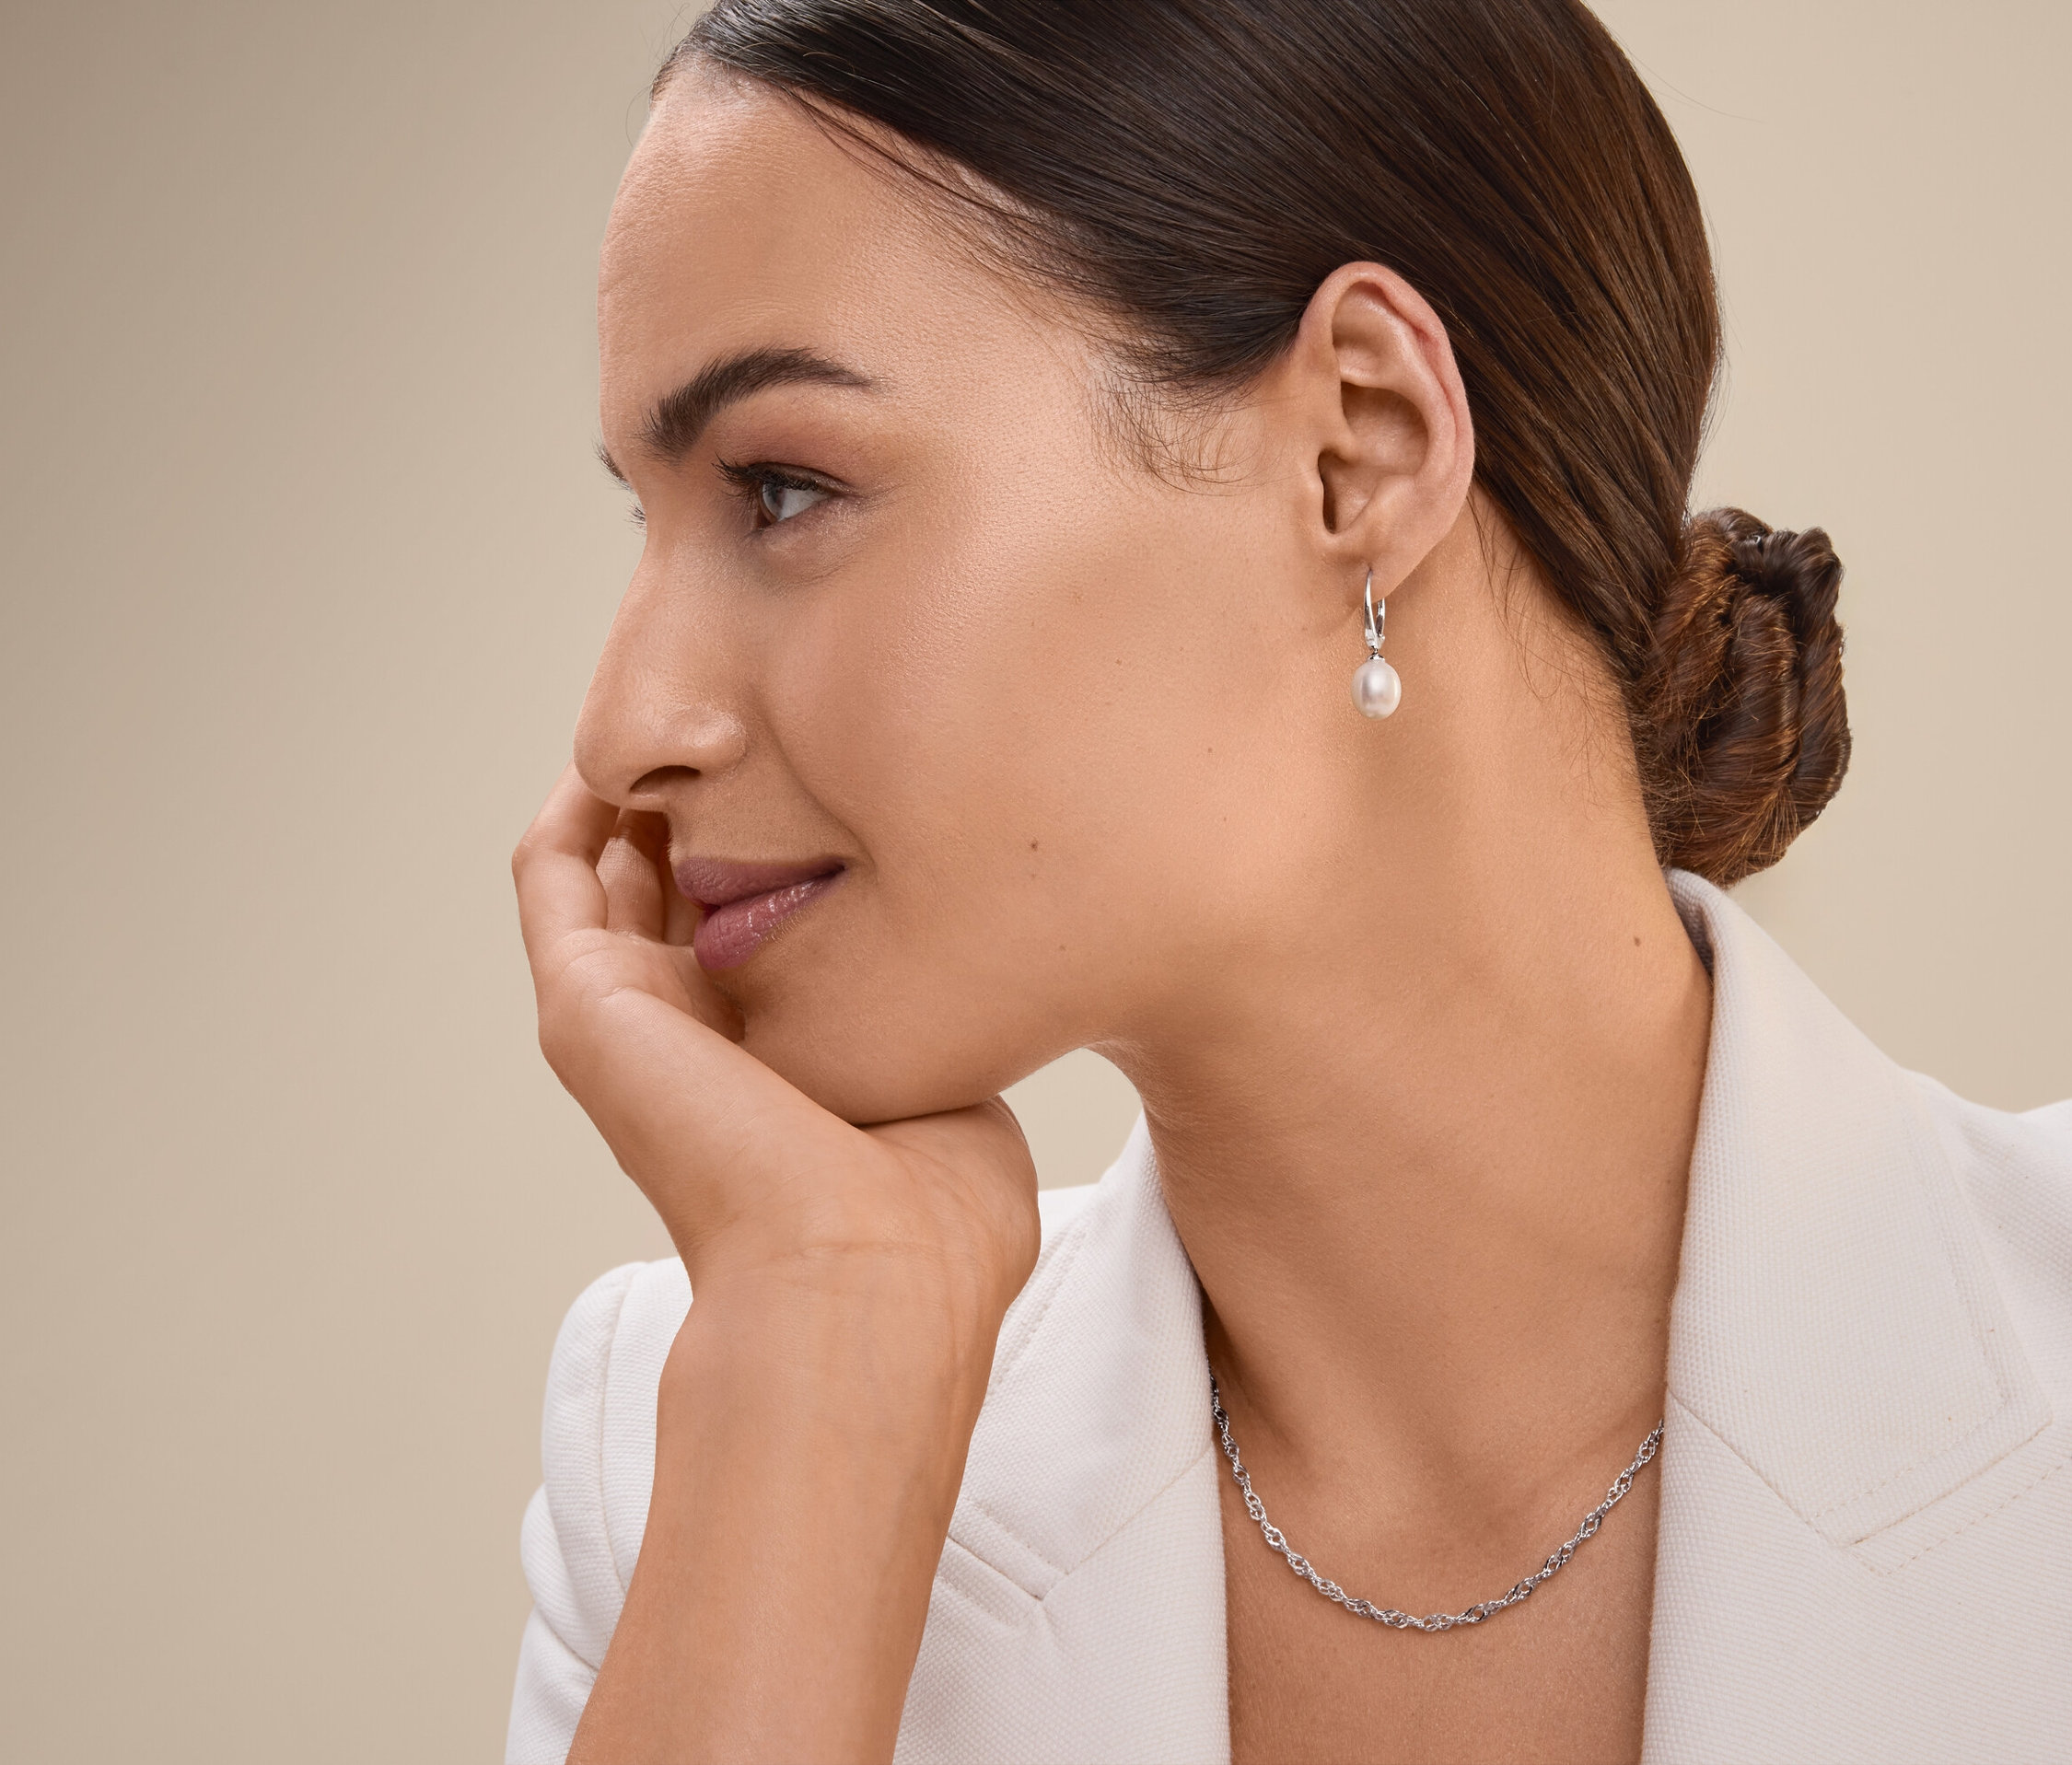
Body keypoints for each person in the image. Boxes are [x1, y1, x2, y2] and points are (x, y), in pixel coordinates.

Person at [502, 2, 2072, 1759]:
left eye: (781, 488)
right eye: (646, 520)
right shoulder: (700, 1468)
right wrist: (822, 1363)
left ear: (1361, 448)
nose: (623, 722)